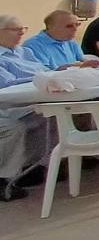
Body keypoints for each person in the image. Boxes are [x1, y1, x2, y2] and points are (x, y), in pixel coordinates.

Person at [0, 15, 52, 200]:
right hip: (6, 107)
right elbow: (6, 84)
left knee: (48, 116)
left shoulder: (24, 52)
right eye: (15, 29)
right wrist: (42, 79)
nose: (21, 33)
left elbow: (45, 69)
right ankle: (3, 178)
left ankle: (33, 167)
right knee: (13, 127)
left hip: (20, 104)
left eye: (23, 28)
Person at [24, 10, 99, 70]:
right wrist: (74, 66)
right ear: (51, 27)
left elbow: (82, 61)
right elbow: (43, 73)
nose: (75, 29)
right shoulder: (33, 45)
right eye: (69, 26)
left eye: (77, 24)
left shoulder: (70, 42)